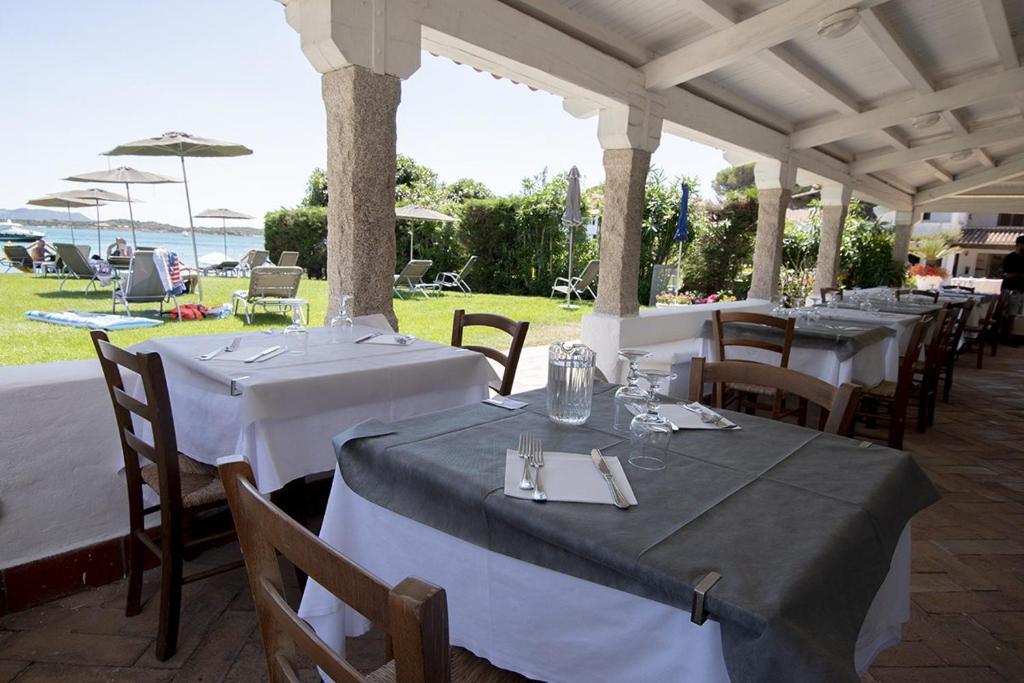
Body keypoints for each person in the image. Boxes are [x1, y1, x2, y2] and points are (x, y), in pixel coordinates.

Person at [1003, 235, 1024, 315]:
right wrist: (1019, 274)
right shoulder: (1010, 258)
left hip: (1022, 291)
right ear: (1019, 245)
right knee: (1010, 314)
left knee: (1018, 316)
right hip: (1012, 290)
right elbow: (1006, 274)